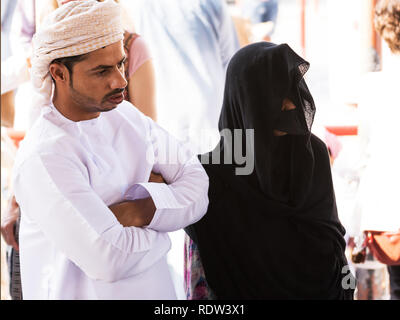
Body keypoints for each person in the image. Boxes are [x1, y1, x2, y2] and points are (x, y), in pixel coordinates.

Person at [11, 0, 209, 300]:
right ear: (59, 73)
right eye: (102, 71)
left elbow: (198, 184)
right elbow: (109, 259)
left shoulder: (127, 117)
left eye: (119, 63)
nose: (121, 80)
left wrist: (140, 210)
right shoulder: (45, 155)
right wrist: (165, 227)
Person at [184, 42, 355, 299]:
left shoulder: (311, 154)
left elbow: (330, 239)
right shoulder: (208, 178)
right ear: (245, 99)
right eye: (273, 93)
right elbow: (202, 283)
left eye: (290, 89)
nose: (288, 104)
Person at [126, 0, 240, 299]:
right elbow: (232, 65)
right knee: (207, 239)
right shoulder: (212, 5)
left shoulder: (135, 8)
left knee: (171, 244)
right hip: (209, 133)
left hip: (165, 137)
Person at [353, 0, 400, 300]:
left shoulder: (371, 88)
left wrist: (358, 222)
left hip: (388, 211)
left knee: (396, 288)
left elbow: (363, 159)